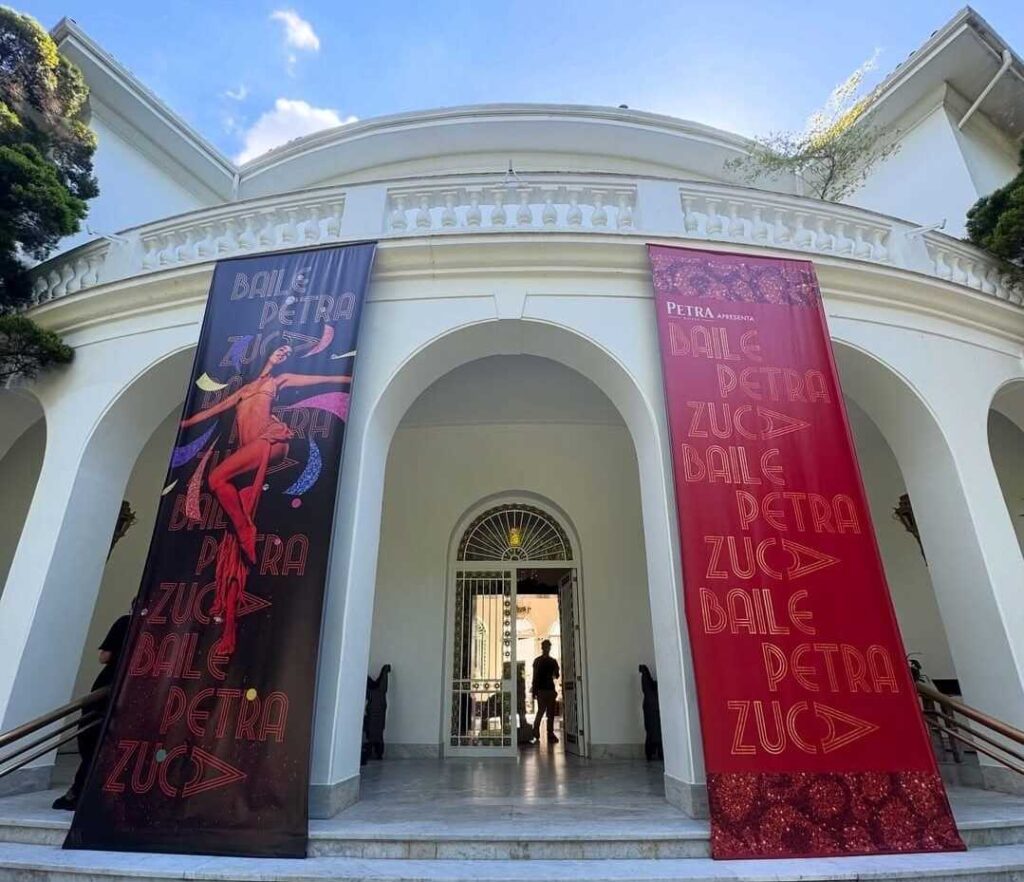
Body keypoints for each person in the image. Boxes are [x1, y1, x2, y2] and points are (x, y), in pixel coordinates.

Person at [180, 344, 351, 655]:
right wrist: (185, 424)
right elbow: (210, 412)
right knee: (234, 555)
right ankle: (228, 632)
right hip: (246, 462)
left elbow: (323, 379)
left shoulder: (280, 380)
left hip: (271, 441)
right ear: (267, 354)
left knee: (216, 478)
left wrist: (350, 377)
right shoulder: (244, 390)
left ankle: (245, 528)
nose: (283, 354)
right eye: (279, 350)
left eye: (287, 352)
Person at [51, 612, 131, 810]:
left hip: (108, 689)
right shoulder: (160, 629)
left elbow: (105, 656)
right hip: (134, 690)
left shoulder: (126, 622)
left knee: (91, 741)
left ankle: (80, 792)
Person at [531, 639, 560, 744]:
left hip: (545, 690)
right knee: (545, 712)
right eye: (547, 646)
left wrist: (534, 691)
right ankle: (545, 733)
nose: (547, 648)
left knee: (545, 712)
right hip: (545, 690)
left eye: (548, 646)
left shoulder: (539, 661)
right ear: (544, 648)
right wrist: (534, 691)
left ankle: (540, 732)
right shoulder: (550, 661)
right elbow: (556, 675)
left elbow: (535, 677)